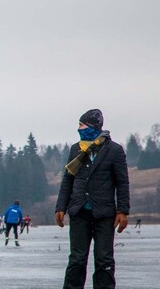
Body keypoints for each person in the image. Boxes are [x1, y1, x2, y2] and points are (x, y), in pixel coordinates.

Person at [55, 109, 130, 289]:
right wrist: (61, 207)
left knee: (104, 259)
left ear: (93, 126)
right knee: (77, 259)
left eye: (82, 125)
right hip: (79, 211)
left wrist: (123, 211)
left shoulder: (114, 150)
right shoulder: (76, 149)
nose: (79, 129)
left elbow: (122, 182)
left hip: (104, 213)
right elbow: (68, 179)